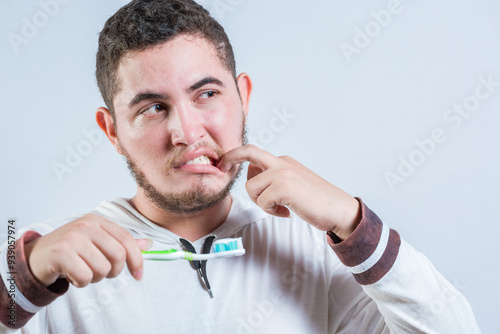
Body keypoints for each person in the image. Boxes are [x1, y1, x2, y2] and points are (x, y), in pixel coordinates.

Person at [0, 0, 480, 332]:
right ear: (112, 132)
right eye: (152, 107)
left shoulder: (319, 250)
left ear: (243, 98)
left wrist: (353, 221)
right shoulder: (47, 259)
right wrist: (25, 274)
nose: (187, 133)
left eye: (206, 94)